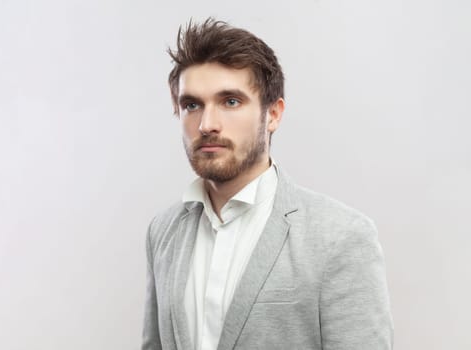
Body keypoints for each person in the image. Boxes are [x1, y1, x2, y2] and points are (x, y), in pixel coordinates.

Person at [142, 18, 393, 350]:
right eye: (192, 105)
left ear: (273, 114)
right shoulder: (162, 231)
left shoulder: (341, 236)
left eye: (230, 101)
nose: (207, 124)